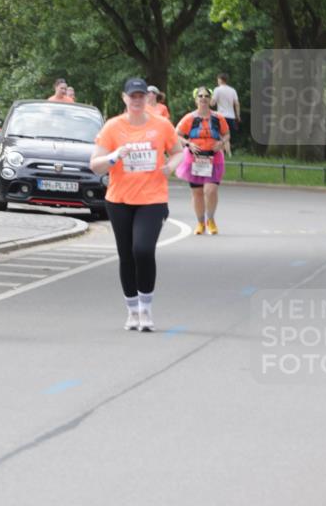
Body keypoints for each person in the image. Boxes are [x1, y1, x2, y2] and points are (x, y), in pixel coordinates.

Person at [90, 77, 182, 332]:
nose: (137, 100)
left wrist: (171, 167)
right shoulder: (112, 127)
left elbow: (177, 151)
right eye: (133, 96)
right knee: (127, 255)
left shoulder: (161, 125)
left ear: (147, 98)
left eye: (141, 96)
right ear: (125, 98)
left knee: (143, 250)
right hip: (119, 200)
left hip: (152, 198)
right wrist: (113, 157)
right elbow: (94, 165)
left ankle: (146, 308)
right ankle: (132, 311)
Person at [175, 87, 229, 236]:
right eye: (200, 96)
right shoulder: (189, 118)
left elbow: (227, 134)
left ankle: (210, 220)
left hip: (214, 158)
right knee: (198, 193)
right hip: (194, 159)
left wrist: (222, 142)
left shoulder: (218, 118)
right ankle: (200, 223)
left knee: (210, 190)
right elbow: (176, 134)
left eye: (206, 96)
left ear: (210, 99)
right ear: (196, 99)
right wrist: (188, 143)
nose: (203, 98)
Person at [210, 73, 240, 156]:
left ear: (220, 80)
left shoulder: (217, 90)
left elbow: (212, 103)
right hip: (231, 116)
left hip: (221, 116)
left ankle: (222, 153)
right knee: (227, 135)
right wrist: (238, 115)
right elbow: (237, 103)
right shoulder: (232, 90)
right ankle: (229, 154)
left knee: (220, 135)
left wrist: (208, 99)